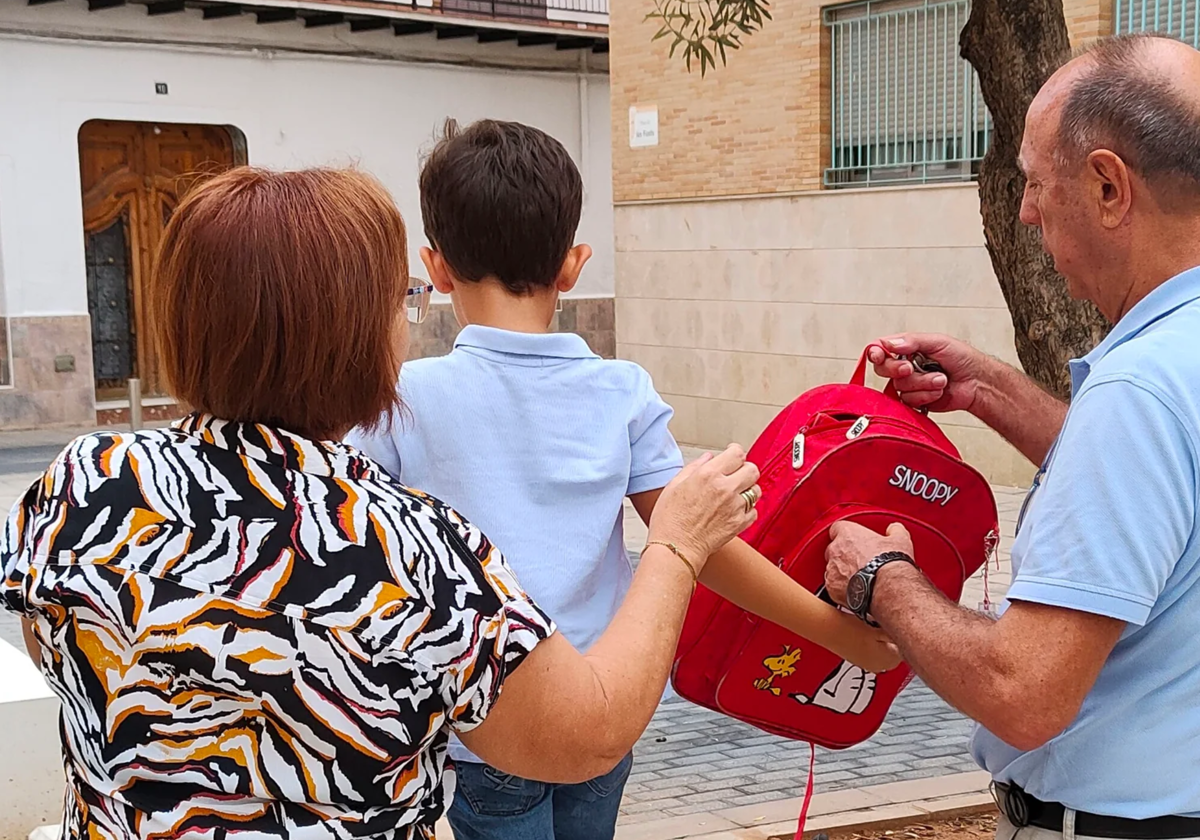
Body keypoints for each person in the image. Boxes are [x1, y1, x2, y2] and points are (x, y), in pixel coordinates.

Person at [0, 165, 762, 840]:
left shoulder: (84, 480)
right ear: (361, 334)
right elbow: (590, 733)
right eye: (396, 299)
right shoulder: (414, 550)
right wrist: (676, 545)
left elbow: (52, 639)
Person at [347, 118, 899, 840]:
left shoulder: (401, 402)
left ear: (437, 266)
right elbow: (699, 550)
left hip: (481, 730)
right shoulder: (621, 393)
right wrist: (843, 636)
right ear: (573, 265)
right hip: (607, 707)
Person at [822, 33, 1200, 840]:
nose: (1025, 211)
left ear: (1108, 187)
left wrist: (881, 579)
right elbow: (1163, 500)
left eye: (1036, 184)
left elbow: (1024, 692)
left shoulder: (1138, 393)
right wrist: (991, 390)